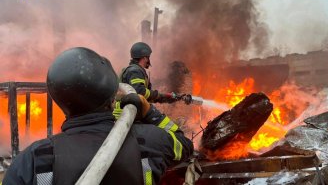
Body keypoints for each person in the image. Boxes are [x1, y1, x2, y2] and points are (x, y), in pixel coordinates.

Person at [2, 47, 193, 185]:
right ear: (112, 98)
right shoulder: (150, 140)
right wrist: (150, 113)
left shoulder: (33, 161)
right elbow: (184, 145)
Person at [119, 42, 185, 103]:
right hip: (127, 113)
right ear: (144, 58)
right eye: (148, 57)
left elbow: (147, 97)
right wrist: (157, 95)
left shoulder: (136, 70)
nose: (148, 60)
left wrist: (167, 97)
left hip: (134, 111)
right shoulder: (135, 71)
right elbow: (140, 92)